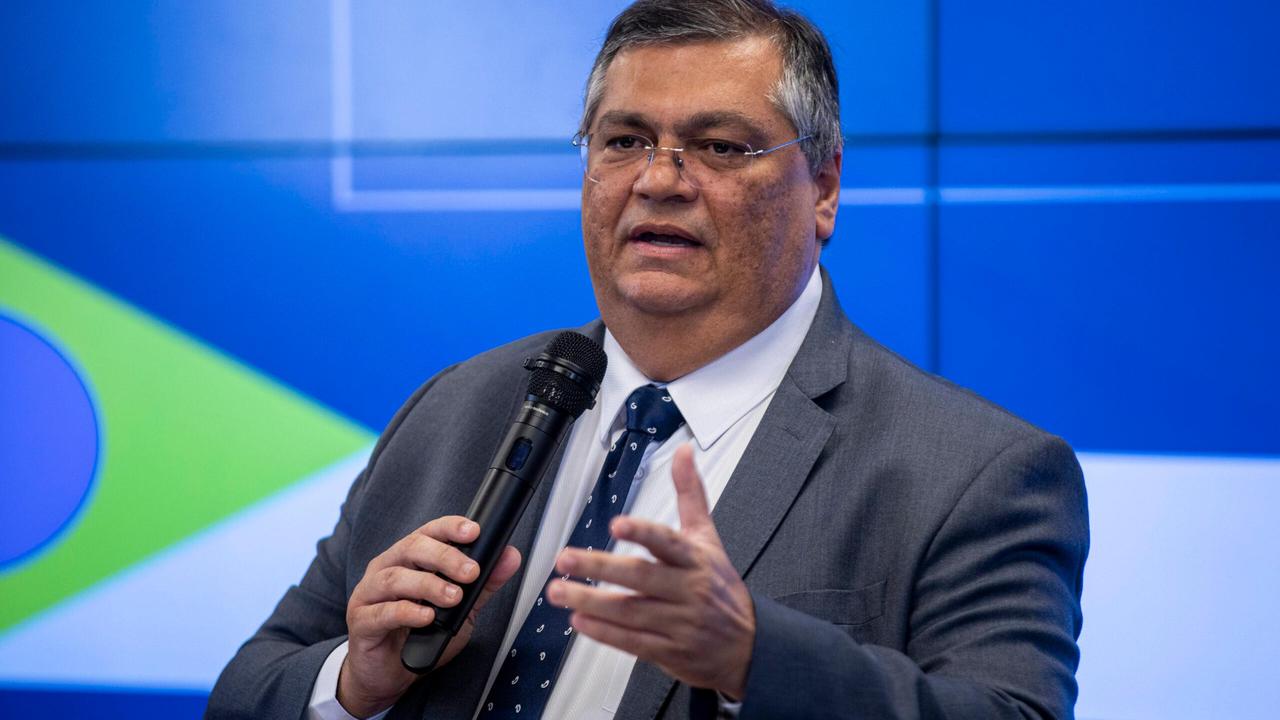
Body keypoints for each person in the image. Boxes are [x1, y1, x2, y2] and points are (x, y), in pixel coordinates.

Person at [208, 1, 1088, 718]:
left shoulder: (974, 472)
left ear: (822, 189)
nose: (659, 180)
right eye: (624, 140)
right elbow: (250, 687)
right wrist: (354, 683)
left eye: (721, 146)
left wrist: (753, 657)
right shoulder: (459, 406)